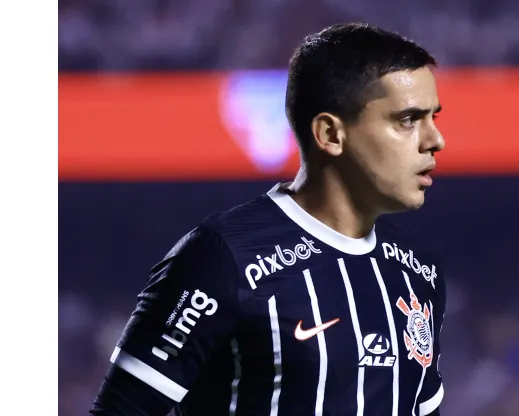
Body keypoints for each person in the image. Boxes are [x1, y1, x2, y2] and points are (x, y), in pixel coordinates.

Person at [91, 22, 447, 416]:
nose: (435, 139)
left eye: (433, 118)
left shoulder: (419, 269)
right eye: (408, 120)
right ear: (330, 134)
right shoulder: (222, 258)